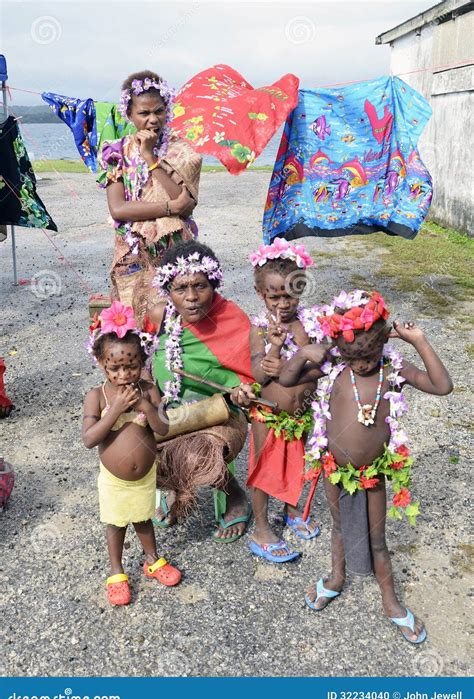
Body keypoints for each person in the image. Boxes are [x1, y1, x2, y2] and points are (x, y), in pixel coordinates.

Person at [280, 289, 453, 644]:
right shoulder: (331, 368)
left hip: (373, 474)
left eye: (368, 355)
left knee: (378, 540)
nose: (361, 365)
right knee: (339, 528)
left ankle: (390, 602)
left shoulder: (392, 370)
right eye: (353, 357)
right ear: (339, 349)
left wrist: (418, 340)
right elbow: (285, 380)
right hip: (331, 468)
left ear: (383, 340)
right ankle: (335, 578)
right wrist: (302, 354)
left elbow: (442, 386)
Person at [149, 240, 255, 543]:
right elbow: (144, 363)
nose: (192, 298)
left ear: (214, 283)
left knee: (196, 453)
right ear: (168, 291)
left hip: (220, 414)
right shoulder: (161, 317)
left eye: (200, 286)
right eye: (181, 288)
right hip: (171, 411)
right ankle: (175, 489)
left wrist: (242, 392)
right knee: (128, 447)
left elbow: (252, 377)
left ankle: (233, 493)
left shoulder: (231, 318)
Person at [82, 301, 181, 606]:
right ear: (101, 363)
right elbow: (89, 439)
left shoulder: (149, 390)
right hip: (114, 479)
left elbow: (163, 428)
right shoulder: (97, 396)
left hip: (144, 476)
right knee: (116, 522)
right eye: (115, 368)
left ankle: (151, 559)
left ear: (142, 360)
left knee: (142, 517)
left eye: (132, 366)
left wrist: (144, 407)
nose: (124, 374)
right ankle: (116, 571)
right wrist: (115, 412)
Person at [97, 70, 202, 323]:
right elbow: (119, 210)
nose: (153, 120)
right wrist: (168, 207)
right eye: (144, 113)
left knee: (175, 319)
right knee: (133, 319)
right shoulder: (116, 152)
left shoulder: (183, 151)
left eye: (159, 111)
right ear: (130, 114)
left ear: (168, 110)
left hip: (173, 247)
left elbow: (185, 206)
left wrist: (150, 158)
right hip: (130, 249)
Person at [247, 239, 328, 562]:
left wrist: (292, 373)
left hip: (300, 414)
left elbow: (323, 366)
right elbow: (257, 375)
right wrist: (275, 351)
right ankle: (262, 527)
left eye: (290, 295)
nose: (283, 303)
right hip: (267, 414)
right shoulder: (260, 330)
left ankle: (292, 510)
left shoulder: (309, 326)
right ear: (261, 295)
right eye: (274, 296)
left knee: (295, 464)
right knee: (263, 468)